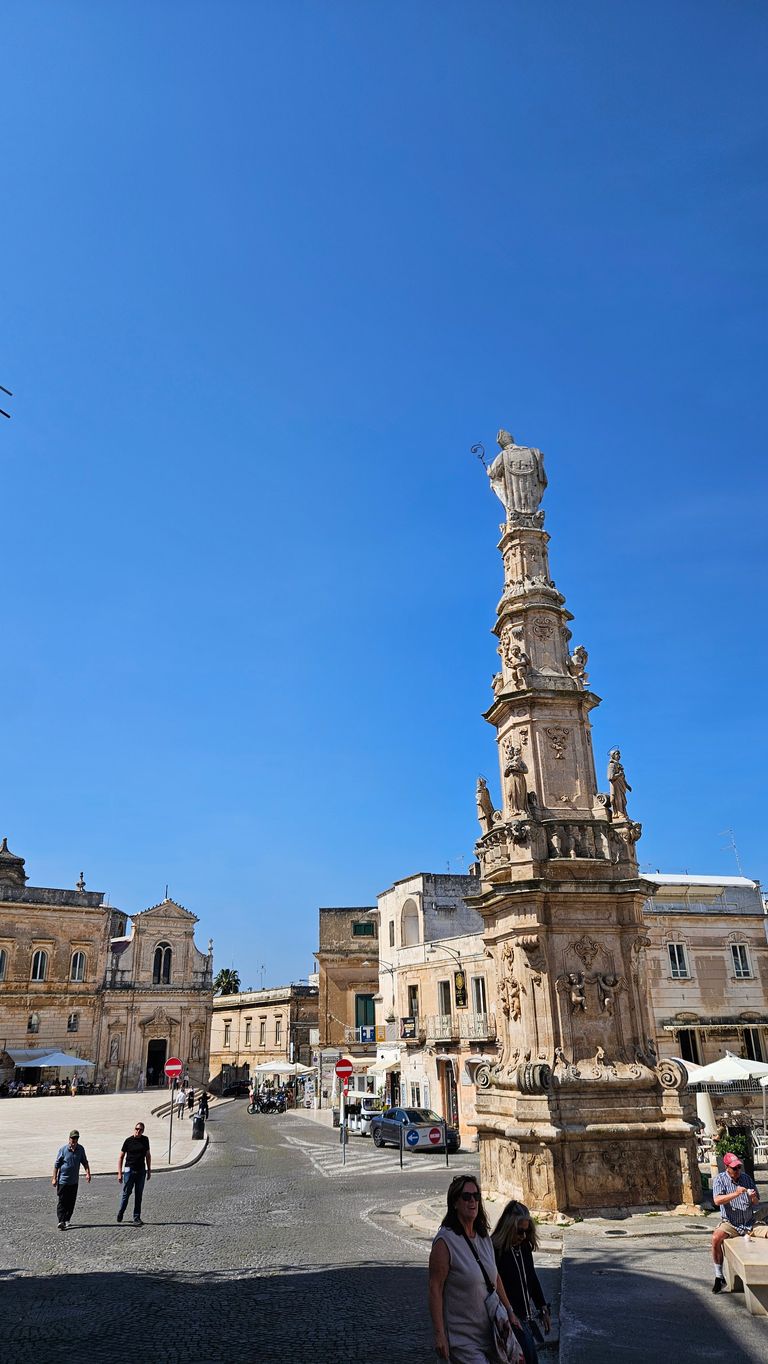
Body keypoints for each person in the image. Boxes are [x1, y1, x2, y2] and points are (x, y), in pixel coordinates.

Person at [429, 1174, 522, 1363]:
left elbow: (494, 1278)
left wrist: (510, 1311)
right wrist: (439, 1335)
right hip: (463, 1340)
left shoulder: (483, 1237)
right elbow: (435, 1288)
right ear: (455, 1203)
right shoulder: (444, 1242)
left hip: (493, 1334)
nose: (472, 1201)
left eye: (476, 1196)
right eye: (466, 1197)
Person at [492, 1201, 551, 1364]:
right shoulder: (495, 1251)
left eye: (527, 1231)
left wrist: (543, 1307)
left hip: (525, 1318)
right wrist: (508, 1313)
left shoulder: (524, 1247)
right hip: (507, 1319)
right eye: (520, 1231)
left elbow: (531, 1277)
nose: (523, 1236)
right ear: (509, 1227)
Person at [711, 1151, 768, 1292]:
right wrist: (736, 1193)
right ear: (727, 1167)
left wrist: (753, 1197)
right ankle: (719, 1276)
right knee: (715, 1238)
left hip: (749, 1221)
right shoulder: (720, 1180)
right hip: (731, 1222)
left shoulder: (746, 1178)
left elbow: (756, 1202)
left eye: (739, 1168)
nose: (737, 1171)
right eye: (734, 1168)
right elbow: (717, 1200)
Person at [52, 1129, 91, 1230]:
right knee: (62, 1201)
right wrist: (54, 1178)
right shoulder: (63, 1150)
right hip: (63, 1181)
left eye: (76, 1138)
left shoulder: (80, 1149)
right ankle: (61, 1221)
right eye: (73, 1138)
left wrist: (88, 1173)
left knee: (71, 1202)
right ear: (69, 1139)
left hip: (74, 1182)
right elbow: (56, 1165)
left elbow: (85, 1162)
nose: (74, 1140)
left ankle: (67, 1219)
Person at [117, 1120, 151, 1226]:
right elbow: (121, 1156)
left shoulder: (145, 1140)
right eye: (137, 1129)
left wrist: (149, 1170)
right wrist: (119, 1173)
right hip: (129, 1170)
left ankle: (136, 1217)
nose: (138, 1131)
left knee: (139, 1195)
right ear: (134, 1129)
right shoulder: (128, 1141)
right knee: (126, 1193)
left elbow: (148, 1155)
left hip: (141, 1171)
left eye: (140, 1130)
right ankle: (121, 1212)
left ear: (143, 1131)